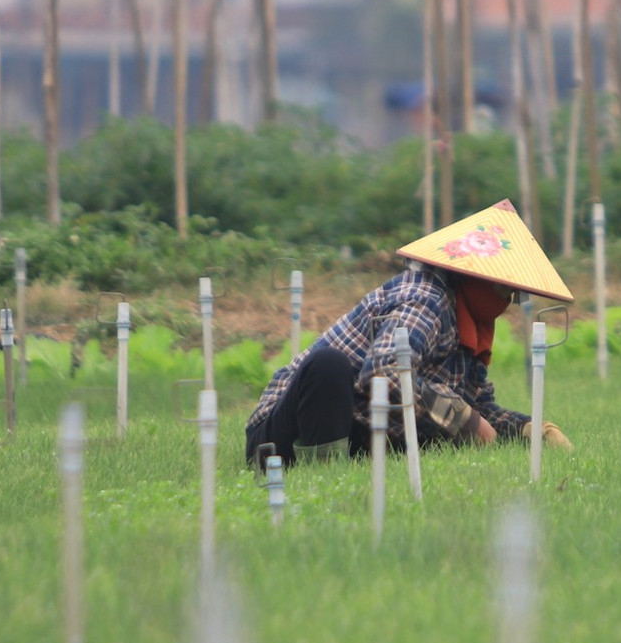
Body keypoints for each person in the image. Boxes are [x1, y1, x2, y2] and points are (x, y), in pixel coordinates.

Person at [246, 200, 574, 466]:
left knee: (437, 432)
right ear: (477, 279)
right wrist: (461, 418)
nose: (508, 304)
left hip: (356, 429)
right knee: (328, 364)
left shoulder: (469, 326)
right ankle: (324, 474)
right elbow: (385, 374)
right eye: (507, 292)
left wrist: (530, 428)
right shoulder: (425, 299)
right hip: (282, 434)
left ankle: (340, 464)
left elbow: (478, 406)